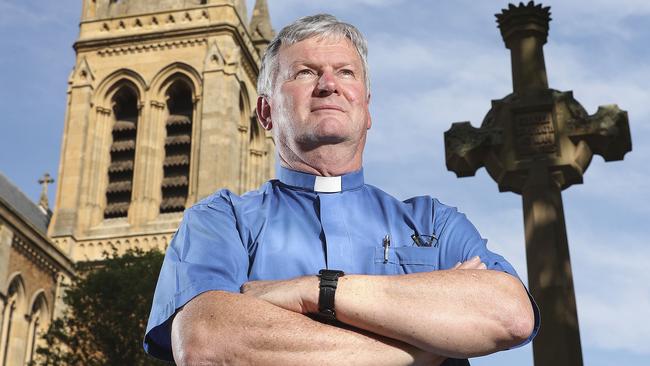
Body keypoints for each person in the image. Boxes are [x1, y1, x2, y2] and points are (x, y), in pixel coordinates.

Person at [144, 14, 539, 366]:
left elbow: (510, 315)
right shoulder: (221, 220)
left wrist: (314, 291)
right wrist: (421, 350)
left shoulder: (434, 222)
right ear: (265, 112)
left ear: (367, 109)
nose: (329, 85)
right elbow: (206, 341)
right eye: (304, 72)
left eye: (346, 72)